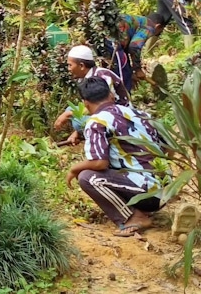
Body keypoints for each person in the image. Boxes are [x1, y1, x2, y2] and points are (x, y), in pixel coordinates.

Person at [65, 77, 168, 237]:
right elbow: (169, 147)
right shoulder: (140, 113)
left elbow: (99, 163)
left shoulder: (96, 122)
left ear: (85, 103)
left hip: (147, 193)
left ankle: (135, 216)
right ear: (111, 95)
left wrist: (73, 168)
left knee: (87, 177)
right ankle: (142, 209)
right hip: (165, 189)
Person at [54, 45, 129, 145]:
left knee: (76, 119)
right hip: (106, 113)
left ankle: (99, 137)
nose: (68, 69)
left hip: (119, 116)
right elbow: (89, 106)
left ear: (81, 66)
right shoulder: (85, 79)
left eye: (70, 65)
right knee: (71, 111)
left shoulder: (103, 76)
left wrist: (69, 114)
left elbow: (105, 106)